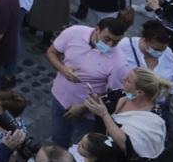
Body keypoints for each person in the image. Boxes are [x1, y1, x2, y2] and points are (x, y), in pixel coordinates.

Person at [46, 14, 132, 148]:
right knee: (58, 136)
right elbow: (52, 52)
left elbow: (115, 94)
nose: (110, 45)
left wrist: (83, 107)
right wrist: (63, 69)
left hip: (87, 114)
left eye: (115, 42)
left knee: (80, 146)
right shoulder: (74, 32)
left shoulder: (119, 64)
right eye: (107, 39)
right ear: (97, 29)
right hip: (59, 97)